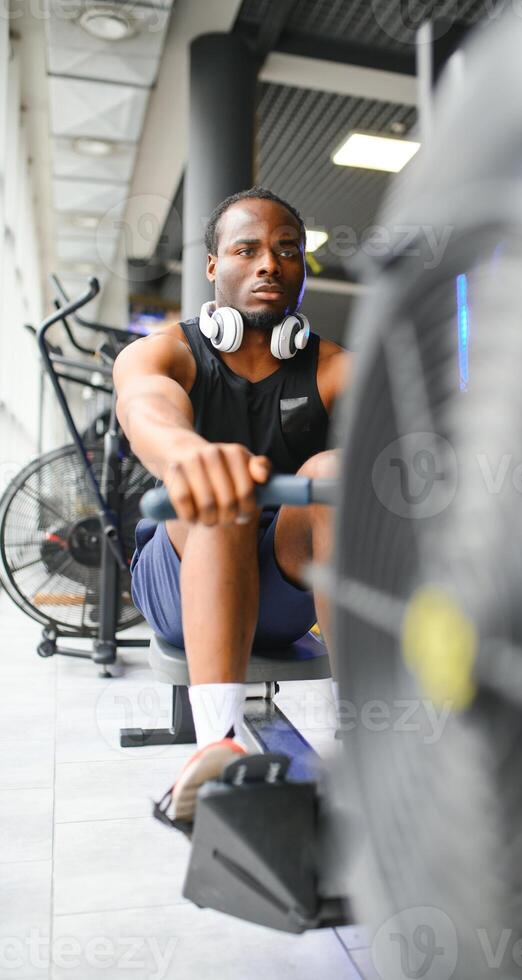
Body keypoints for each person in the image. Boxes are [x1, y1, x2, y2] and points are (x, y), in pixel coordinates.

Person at [113, 187, 351, 818]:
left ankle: (367, 735)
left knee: (337, 472)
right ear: (214, 266)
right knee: (230, 487)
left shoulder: (333, 368)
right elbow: (144, 404)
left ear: (301, 269)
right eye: (247, 249)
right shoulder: (167, 350)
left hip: (284, 596)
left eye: (287, 250)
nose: (269, 264)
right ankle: (214, 748)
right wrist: (186, 454)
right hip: (182, 582)